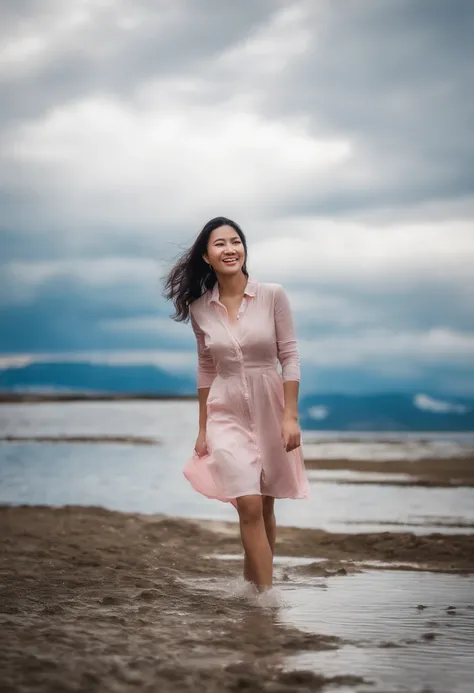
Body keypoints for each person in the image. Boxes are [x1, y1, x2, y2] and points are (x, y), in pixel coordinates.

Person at [164, 216, 309, 592]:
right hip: (225, 411)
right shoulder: (200, 309)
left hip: (270, 407)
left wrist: (290, 416)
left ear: (244, 249)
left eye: (236, 242)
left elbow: (290, 355)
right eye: (220, 244)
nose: (230, 249)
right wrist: (202, 429)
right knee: (247, 503)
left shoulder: (272, 295)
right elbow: (205, 368)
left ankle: (253, 584)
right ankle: (265, 601)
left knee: (265, 505)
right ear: (206, 257)